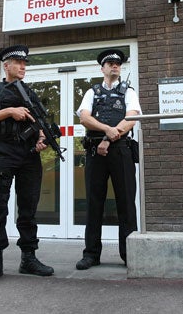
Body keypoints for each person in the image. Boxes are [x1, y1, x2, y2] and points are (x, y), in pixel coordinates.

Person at [0, 44, 54, 286]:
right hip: (4, 152)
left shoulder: (29, 92)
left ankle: (28, 258)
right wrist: (10, 111)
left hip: (29, 155)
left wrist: (42, 139)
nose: (23, 67)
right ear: (6, 65)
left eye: (25, 63)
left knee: (29, 208)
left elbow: (39, 124)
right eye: (18, 63)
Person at [75, 49, 142, 269]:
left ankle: (128, 254)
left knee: (126, 203)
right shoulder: (91, 92)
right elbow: (84, 117)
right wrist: (107, 131)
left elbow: (132, 117)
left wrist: (112, 136)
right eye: (110, 63)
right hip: (95, 152)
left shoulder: (128, 92)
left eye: (118, 63)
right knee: (94, 203)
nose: (115, 66)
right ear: (102, 68)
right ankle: (91, 254)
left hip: (121, 150)